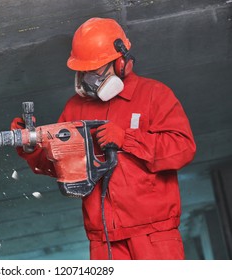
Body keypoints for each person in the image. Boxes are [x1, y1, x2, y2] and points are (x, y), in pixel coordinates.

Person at [11, 17, 196, 260]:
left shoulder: (154, 95)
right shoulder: (75, 109)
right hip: (104, 241)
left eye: (95, 69)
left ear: (121, 62)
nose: (88, 77)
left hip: (154, 235)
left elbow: (183, 149)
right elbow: (61, 165)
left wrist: (127, 139)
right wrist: (31, 146)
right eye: (84, 70)